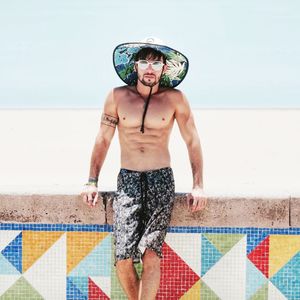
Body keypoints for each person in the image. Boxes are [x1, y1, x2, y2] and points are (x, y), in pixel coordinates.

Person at [81, 37, 207, 300]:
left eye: (156, 62)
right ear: (135, 66)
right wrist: (92, 181)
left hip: (161, 178)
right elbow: (103, 138)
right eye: (144, 62)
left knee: (151, 253)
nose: (150, 68)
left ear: (164, 67)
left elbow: (192, 141)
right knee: (123, 257)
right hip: (127, 180)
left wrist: (198, 185)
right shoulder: (117, 97)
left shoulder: (175, 99)